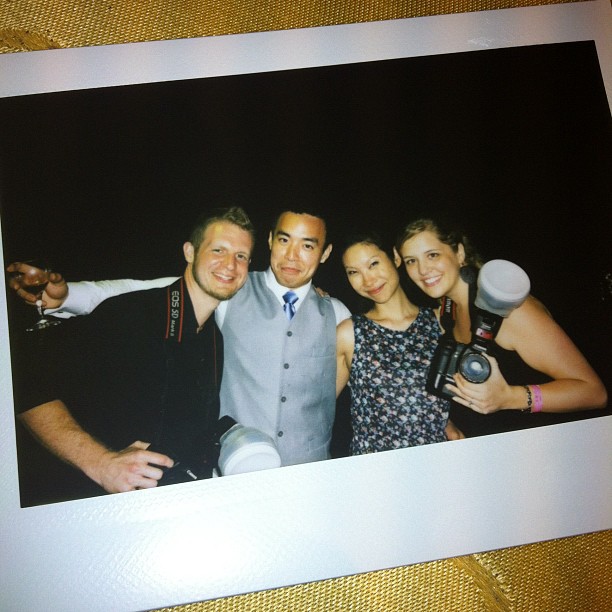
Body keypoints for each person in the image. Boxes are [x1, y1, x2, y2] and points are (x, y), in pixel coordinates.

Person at [8, 208, 351, 466]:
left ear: (324, 253)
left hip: (310, 472)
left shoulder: (336, 313)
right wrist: (67, 297)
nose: (292, 256)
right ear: (271, 242)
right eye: (284, 240)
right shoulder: (232, 289)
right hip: (232, 471)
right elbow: (142, 289)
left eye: (307, 245)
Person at [11, 206, 255, 503]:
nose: (230, 265)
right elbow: (24, 382)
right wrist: (101, 463)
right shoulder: (132, 315)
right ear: (190, 252)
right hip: (88, 502)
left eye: (241, 256)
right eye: (218, 250)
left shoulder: (213, 337)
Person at [393, 218, 607, 437]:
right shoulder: (447, 314)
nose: (422, 270)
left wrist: (509, 397)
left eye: (432, 255)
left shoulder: (511, 311)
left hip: (539, 447)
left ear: (459, 253)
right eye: (411, 261)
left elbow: (593, 392)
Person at [336, 233, 460, 455]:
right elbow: (316, 406)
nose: (368, 280)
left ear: (395, 257)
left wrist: (447, 422)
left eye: (373, 264)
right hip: (377, 467)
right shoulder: (349, 333)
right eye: (354, 272)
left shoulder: (440, 323)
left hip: (438, 460)